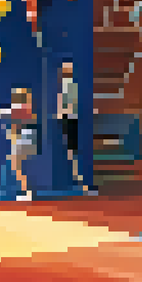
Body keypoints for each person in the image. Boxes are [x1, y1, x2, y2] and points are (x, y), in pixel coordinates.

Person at [0, 87, 38, 201]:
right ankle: (24, 190)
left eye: (15, 96)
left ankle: (25, 191)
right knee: (17, 165)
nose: (13, 99)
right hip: (26, 138)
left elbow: (3, 112)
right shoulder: (25, 107)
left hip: (25, 138)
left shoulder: (20, 107)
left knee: (16, 165)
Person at [57, 61, 86, 189]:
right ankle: (71, 174)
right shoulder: (63, 86)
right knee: (69, 149)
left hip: (70, 119)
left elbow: (71, 104)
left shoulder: (72, 85)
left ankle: (74, 174)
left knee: (72, 148)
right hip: (67, 119)